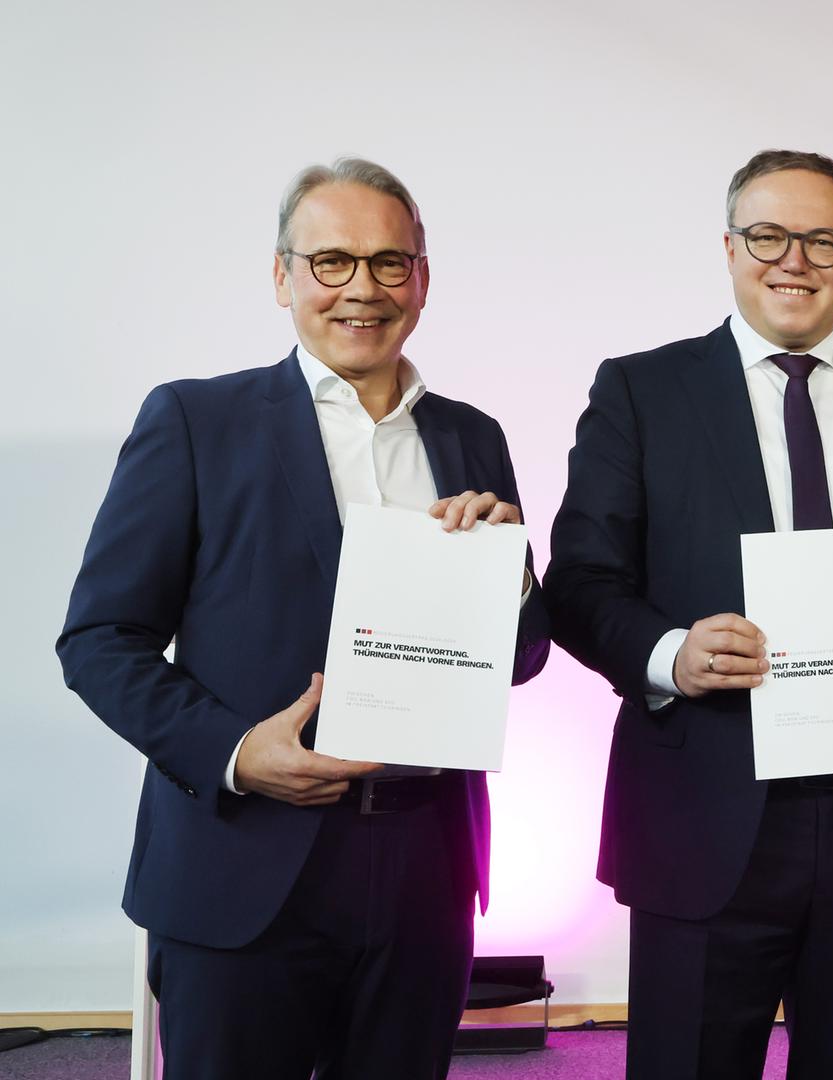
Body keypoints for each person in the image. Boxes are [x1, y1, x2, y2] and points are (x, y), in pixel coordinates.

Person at [55, 158, 551, 1079]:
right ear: (282, 277)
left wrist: (513, 583)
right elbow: (99, 642)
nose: (363, 287)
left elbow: (520, 660)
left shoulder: (472, 435)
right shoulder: (197, 420)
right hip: (240, 864)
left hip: (425, 870)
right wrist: (237, 751)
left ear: (422, 280)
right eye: (331, 261)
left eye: (389, 262)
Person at [545, 149, 833, 1080]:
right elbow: (580, 585)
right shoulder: (640, 391)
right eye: (768, 236)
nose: (795, 260)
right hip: (702, 817)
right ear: (729, 248)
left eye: (823, 240)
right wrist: (671, 654)